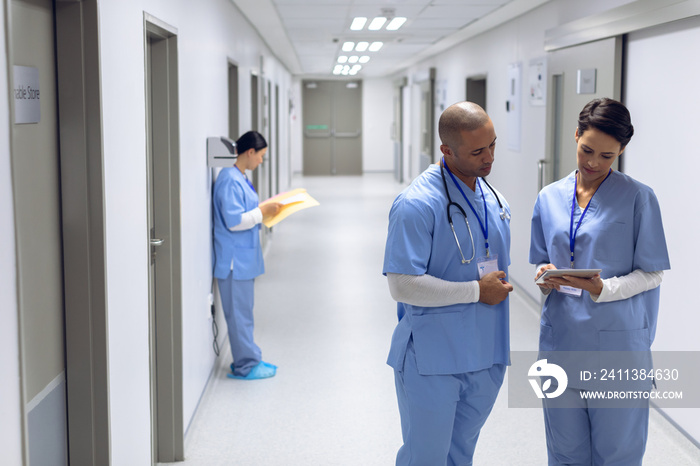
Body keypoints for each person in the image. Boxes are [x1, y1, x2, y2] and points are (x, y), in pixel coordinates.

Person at [529, 98, 670, 465]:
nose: (592, 163)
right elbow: (544, 259)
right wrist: (545, 276)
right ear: (575, 136)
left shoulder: (639, 198)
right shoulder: (549, 198)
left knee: (617, 454)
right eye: (586, 150)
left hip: (617, 347)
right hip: (562, 343)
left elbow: (652, 272)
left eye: (606, 156)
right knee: (564, 453)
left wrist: (605, 289)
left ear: (621, 151)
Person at [383, 101, 513, 465]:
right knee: (426, 457)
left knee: (460, 455)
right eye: (477, 151)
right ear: (446, 150)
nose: (489, 158)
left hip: (485, 354)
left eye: (493, 145)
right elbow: (402, 284)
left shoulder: (494, 199)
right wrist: (475, 292)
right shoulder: (416, 204)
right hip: (433, 360)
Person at [212, 130, 282, 380]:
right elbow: (233, 221)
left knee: (243, 313)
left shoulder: (238, 176)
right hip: (234, 263)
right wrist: (263, 212)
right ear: (249, 152)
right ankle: (246, 365)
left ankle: (249, 358)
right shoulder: (230, 179)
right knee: (240, 316)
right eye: (260, 156)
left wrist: (263, 211)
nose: (261, 161)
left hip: (241, 260)